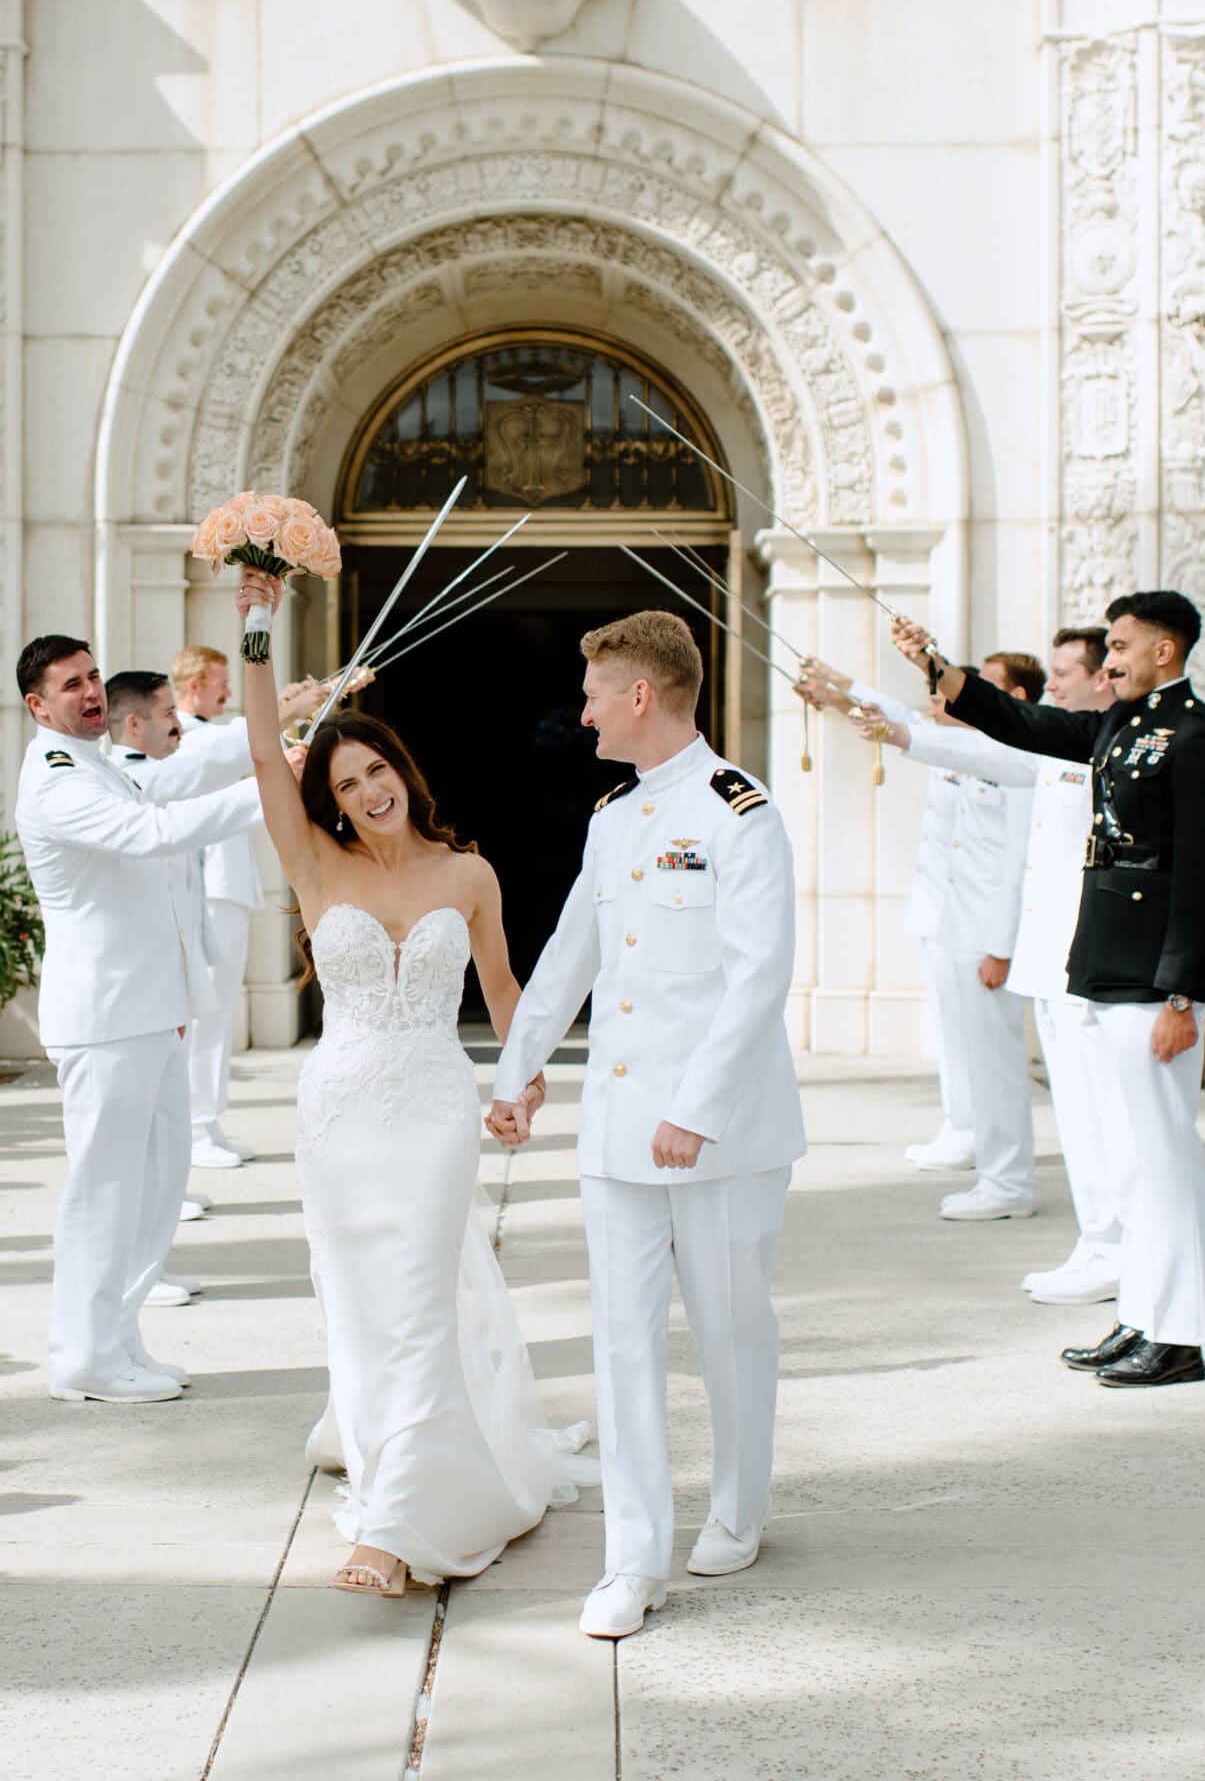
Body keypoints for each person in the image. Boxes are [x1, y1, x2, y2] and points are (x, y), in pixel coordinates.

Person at [241, 621, 589, 1600]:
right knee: (359, 1302)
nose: (365, 792)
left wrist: (523, 1080)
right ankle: (377, 1436)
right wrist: (257, 626)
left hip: (435, 1109)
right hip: (343, 1112)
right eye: (345, 785)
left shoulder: (466, 873)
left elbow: (506, 992)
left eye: (374, 771)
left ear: (402, 767)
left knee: (420, 1300)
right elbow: (265, 749)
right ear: (331, 801)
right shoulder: (316, 866)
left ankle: (394, 1525)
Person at [492, 610, 808, 1641]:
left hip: (720, 1131)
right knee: (623, 1347)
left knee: (728, 1330)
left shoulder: (738, 812)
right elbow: (570, 949)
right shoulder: (614, 816)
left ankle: (739, 1503)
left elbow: (759, 976)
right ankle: (630, 1560)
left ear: (640, 695)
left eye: (592, 695)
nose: (580, 714)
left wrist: (694, 1109)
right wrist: (517, 1067)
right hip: (620, 1128)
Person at [894, 592, 1205, 1388]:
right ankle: (1142, 1316)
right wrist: (936, 668)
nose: (1109, 661)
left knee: (1164, 1158)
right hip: (1104, 968)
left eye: (1120, 648)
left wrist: (1183, 997)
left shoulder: (1200, 738)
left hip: (1155, 981)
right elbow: (1025, 726)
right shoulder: (1117, 725)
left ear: (1164, 650)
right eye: (1107, 648)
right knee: (1134, 1155)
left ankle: (1179, 1334)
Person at [14, 613, 277, 1406]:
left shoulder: (102, 763)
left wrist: (274, 733)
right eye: (72, 685)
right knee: (105, 1190)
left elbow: (179, 773)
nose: (91, 692)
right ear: (38, 706)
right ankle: (81, 1354)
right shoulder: (57, 777)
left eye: (93, 678)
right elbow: (151, 831)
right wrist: (270, 786)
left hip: (151, 1010)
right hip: (105, 1017)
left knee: (157, 1183)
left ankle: (117, 1337)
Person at [854, 628, 1133, 1304]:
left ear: (1100, 679)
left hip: (1083, 958)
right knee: (1076, 1113)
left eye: (1068, 670)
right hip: (1050, 960)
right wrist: (894, 720)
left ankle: (1114, 1244)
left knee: (1105, 1120)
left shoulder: (1108, 745)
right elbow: (971, 742)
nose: (1056, 682)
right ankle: (1099, 1244)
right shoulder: (1053, 745)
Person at [799, 648, 1042, 1222]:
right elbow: (902, 717)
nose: (947, 699)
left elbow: (1016, 864)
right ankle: (966, 1132)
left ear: (1014, 700)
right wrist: (843, 686)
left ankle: (1007, 1180)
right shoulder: (960, 743)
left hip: (986, 931)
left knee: (996, 1059)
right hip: (948, 919)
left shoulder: (1018, 752)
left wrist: (1002, 945)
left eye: (972, 690)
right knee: (960, 1043)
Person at [104, 666, 265, 1300]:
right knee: (134, 1146)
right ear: (135, 723)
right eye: (167, 711)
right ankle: (131, 1282)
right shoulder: (132, 775)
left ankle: (148, 1270)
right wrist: (274, 768)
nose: (178, 722)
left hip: (164, 990)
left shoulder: (152, 770)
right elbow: (200, 771)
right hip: (130, 997)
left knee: (163, 1145)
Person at [170, 644, 262, 1171]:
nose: (227, 692)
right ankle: (193, 1127)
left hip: (229, 889)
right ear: (194, 685)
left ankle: (207, 1119)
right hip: (208, 891)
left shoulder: (212, 734)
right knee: (204, 1014)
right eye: (221, 683)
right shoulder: (189, 737)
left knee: (219, 1012)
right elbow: (243, 741)